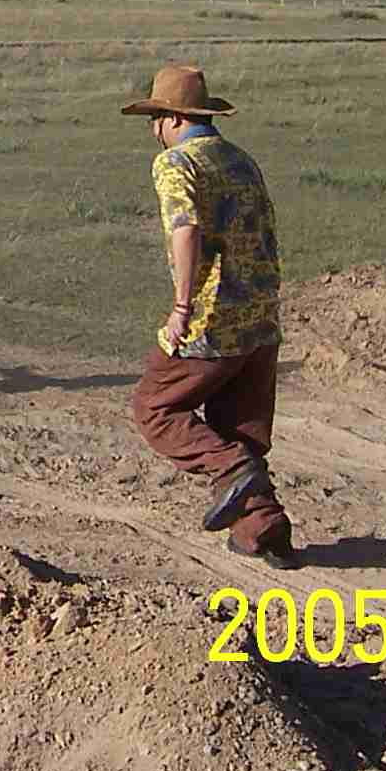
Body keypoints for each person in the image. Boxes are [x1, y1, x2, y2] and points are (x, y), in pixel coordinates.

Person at [122, 65, 297, 569]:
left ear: (174, 119)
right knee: (237, 425)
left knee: (155, 408)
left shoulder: (178, 163)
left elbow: (185, 230)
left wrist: (181, 308)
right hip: (261, 318)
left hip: (211, 321)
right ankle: (264, 532)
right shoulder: (242, 159)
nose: (153, 130)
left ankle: (236, 470)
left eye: (155, 118)